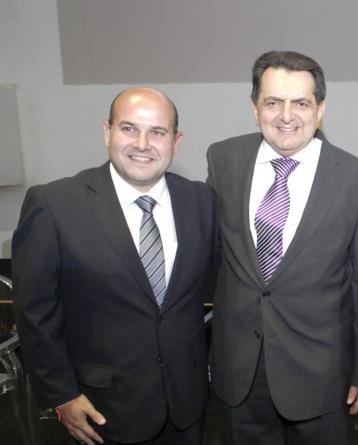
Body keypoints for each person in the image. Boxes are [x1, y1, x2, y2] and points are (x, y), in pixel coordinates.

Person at [13, 87, 216, 445]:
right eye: (128, 128)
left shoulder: (202, 200)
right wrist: (60, 396)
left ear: (176, 141)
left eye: (157, 132)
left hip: (187, 405)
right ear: (107, 132)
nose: (142, 144)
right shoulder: (55, 203)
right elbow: (34, 312)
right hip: (100, 410)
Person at [206, 50, 358, 445]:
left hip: (322, 375)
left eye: (301, 103)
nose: (286, 115)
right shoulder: (224, 160)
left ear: (320, 109)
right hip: (238, 372)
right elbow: (211, 256)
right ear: (255, 107)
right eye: (273, 102)